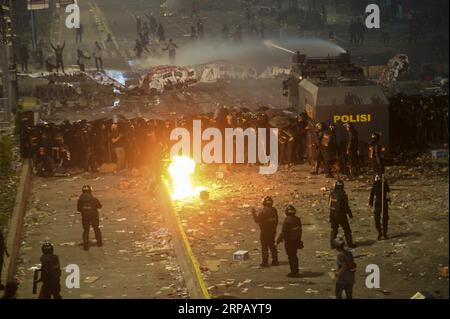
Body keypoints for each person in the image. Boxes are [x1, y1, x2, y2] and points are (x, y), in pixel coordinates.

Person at [251, 196, 279, 267]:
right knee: (272, 246)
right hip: (272, 231)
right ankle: (275, 261)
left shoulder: (263, 211)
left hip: (264, 232)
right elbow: (276, 221)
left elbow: (257, 220)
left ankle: (265, 262)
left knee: (264, 247)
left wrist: (253, 213)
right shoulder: (274, 210)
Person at [277, 205, 303, 277]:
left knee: (291, 257)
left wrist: (278, 241)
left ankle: (293, 272)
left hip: (289, 242)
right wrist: (299, 240)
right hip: (296, 240)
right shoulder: (297, 219)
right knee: (294, 256)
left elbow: (283, 232)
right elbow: (300, 230)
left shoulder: (287, 221)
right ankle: (295, 270)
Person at [329, 180, 355, 248]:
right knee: (347, 229)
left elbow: (330, 204)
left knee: (334, 229)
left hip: (332, 214)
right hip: (341, 215)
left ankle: (332, 244)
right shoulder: (343, 195)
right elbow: (345, 206)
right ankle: (350, 244)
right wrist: (350, 214)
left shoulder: (332, 194)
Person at [77, 185, 103, 251]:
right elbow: (99, 206)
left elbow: (78, 209)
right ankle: (99, 243)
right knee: (96, 229)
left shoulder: (80, 200)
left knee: (86, 230)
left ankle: (86, 246)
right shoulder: (94, 199)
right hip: (94, 216)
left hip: (85, 217)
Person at [369, 175, 391, 240]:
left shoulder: (384, 184)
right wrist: (371, 202)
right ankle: (379, 232)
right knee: (377, 218)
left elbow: (388, 192)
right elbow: (372, 194)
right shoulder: (375, 185)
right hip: (378, 203)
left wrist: (388, 199)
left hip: (384, 202)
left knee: (385, 218)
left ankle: (384, 232)